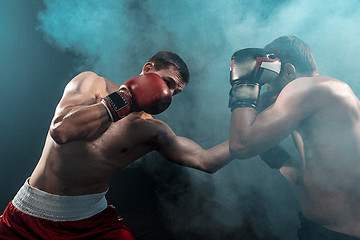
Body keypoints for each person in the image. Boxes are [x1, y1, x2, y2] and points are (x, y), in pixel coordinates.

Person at [0, 51, 233, 239]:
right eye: (167, 82)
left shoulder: (152, 129)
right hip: (28, 214)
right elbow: (61, 130)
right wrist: (125, 101)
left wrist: (256, 132)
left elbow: (206, 161)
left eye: (175, 92)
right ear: (148, 69)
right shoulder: (91, 83)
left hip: (92, 222)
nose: (169, 94)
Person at [228, 36, 360, 239]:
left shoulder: (306, 87)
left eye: (270, 80)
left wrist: (245, 84)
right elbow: (306, 174)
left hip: (339, 234)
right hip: (320, 228)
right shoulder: (326, 93)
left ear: (288, 70)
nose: (269, 88)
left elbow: (241, 146)